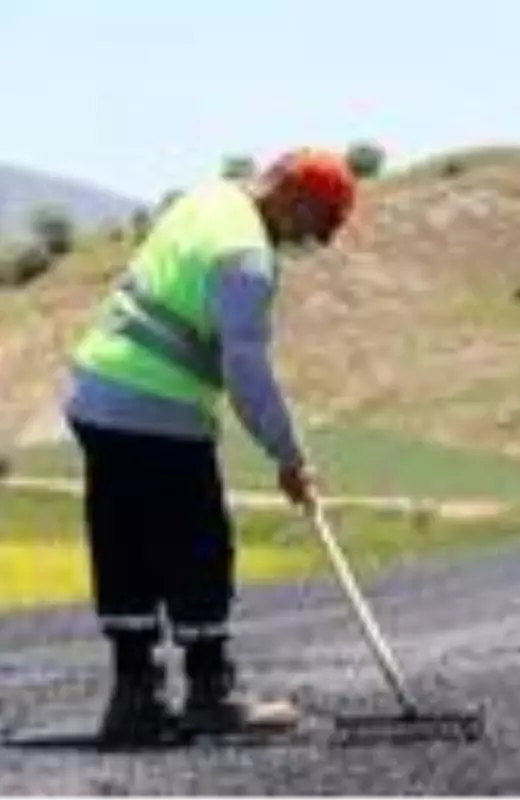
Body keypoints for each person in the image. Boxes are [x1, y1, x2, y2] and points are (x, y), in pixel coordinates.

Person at [60, 148, 357, 744]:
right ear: (294, 200)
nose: (314, 242)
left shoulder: (209, 199)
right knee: (198, 545)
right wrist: (290, 456)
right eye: (319, 226)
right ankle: (208, 691)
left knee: (124, 542)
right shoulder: (246, 258)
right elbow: (245, 368)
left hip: (97, 394)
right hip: (158, 407)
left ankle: (133, 696)